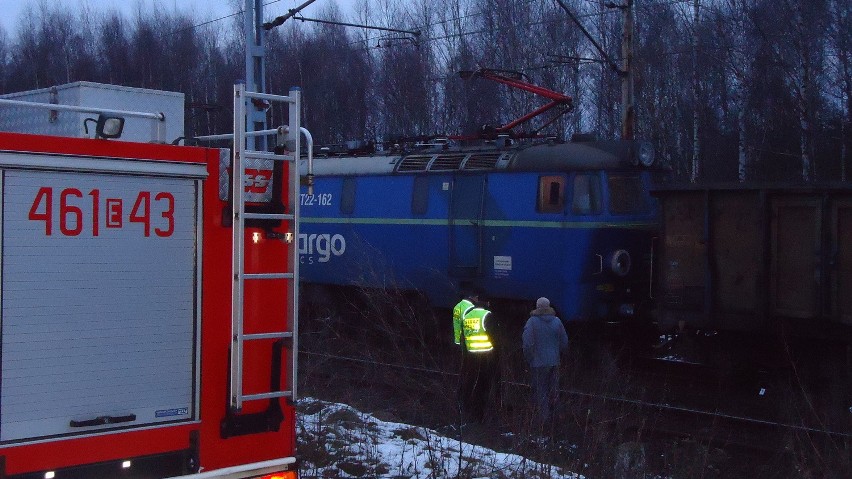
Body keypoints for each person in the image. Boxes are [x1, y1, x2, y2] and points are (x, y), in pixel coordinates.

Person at [522, 297, 569, 427]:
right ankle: (558, 417)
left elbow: (527, 344)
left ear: (537, 306)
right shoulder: (557, 321)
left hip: (538, 363)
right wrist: (559, 355)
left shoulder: (531, 322)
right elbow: (564, 342)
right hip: (554, 362)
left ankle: (544, 421)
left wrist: (529, 358)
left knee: (541, 391)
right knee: (554, 390)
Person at [452, 291, 497, 423]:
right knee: (482, 383)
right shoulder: (486, 315)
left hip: (470, 351)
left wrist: (460, 345)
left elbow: (461, 331)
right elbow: (494, 337)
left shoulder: (466, 314)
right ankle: (478, 414)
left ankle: (464, 407)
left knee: (469, 380)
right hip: (485, 354)